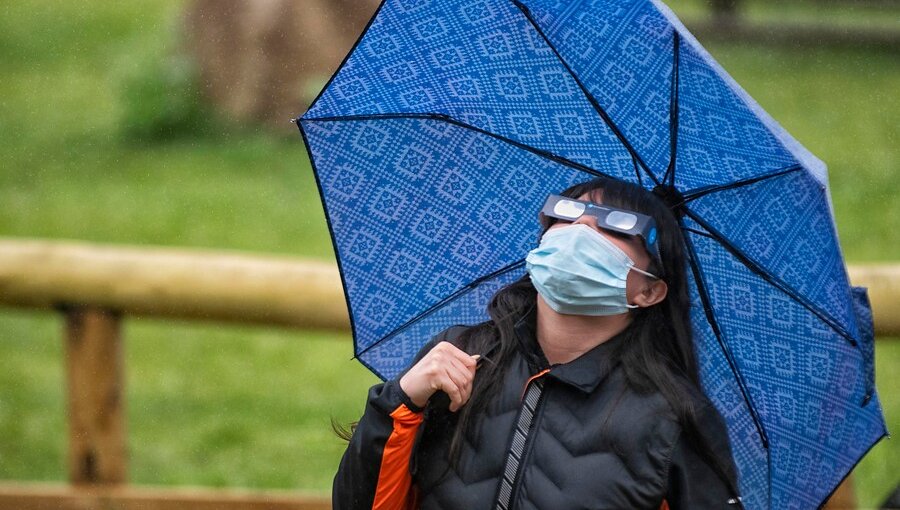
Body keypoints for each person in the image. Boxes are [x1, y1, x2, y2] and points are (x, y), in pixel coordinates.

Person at [333, 177, 744, 509]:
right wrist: (400, 402)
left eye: (615, 226)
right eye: (568, 214)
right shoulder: (459, 355)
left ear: (649, 292)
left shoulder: (675, 418)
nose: (582, 229)